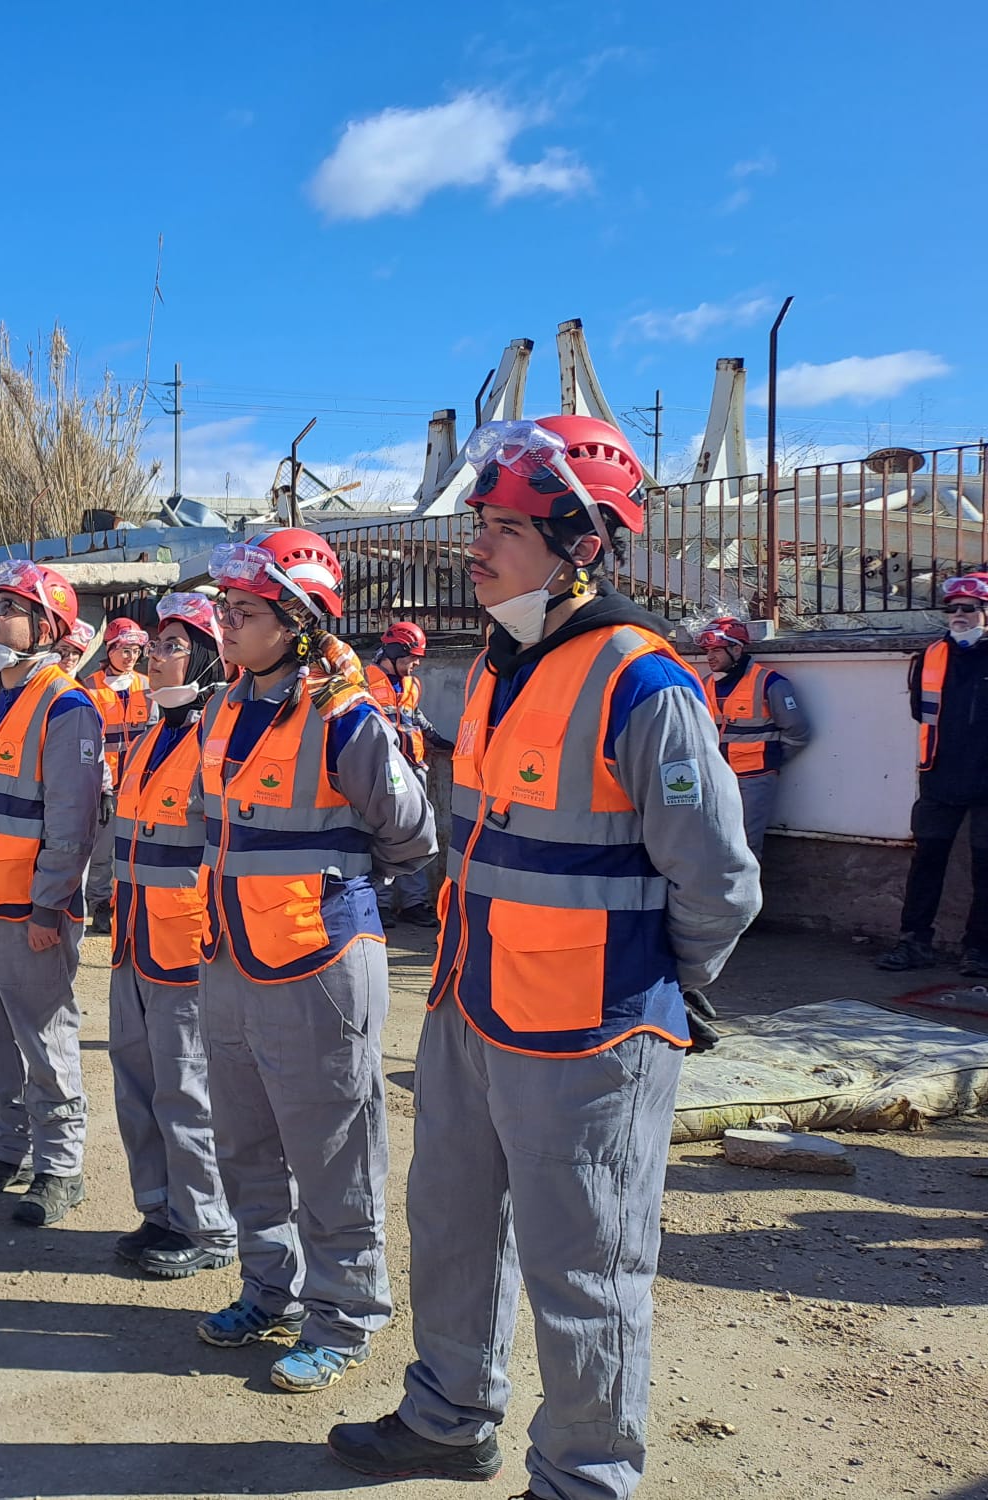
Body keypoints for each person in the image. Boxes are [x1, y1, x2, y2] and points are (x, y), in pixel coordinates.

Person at [328, 415, 760, 1500]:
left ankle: (583, 1477)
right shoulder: (498, 665)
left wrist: (668, 986)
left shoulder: (644, 684)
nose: (475, 544)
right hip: (473, 1007)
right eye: (478, 521)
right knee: (451, 1227)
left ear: (580, 545)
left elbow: (718, 882)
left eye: (504, 528)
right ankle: (448, 1416)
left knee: (585, 1270)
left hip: (591, 1031)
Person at [189, 528, 437, 1397]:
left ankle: (346, 1314)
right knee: (245, 1140)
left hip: (319, 960)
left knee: (334, 1147)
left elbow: (413, 833)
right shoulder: (222, 707)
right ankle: (270, 1292)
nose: (225, 623)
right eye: (225, 608)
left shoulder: (346, 716)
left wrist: (340, 883)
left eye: (244, 610)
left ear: (299, 621)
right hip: (231, 953)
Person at [0, 558, 105, 1226]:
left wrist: (48, 906)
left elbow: (72, 822)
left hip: (28, 908)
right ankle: (9, 1148)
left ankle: (60, 1167)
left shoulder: (68, 707)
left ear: (46, 627)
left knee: (45, 1040)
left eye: (11, 608)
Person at [106, 591, 237, 1279]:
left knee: (187, 1091)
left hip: (186, 949)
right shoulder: (152, 735)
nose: (153, 657)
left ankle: (209, 1226)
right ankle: (161, 1210)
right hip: (134, 940)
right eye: (154, 646)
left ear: (210, 658)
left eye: (172, 647)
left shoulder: (220, 740)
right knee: (137, 1085)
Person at [879, 572, 988, 974]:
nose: (959, 615)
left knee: (986, 868)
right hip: (939, 776)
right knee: (926, 862)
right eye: (952, 609)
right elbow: (920, 711)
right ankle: (914, 943)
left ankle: (979, 950)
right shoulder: (932, 656)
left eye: (969, 609)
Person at [697, 616, 811, 858]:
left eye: (716, 650)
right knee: (714, 840)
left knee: (746, 846)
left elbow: (798, 732)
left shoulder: (770, 683)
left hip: (754, 779)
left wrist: (770, 760)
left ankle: (749, 884)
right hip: (717, 777)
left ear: (737, 649)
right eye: (707, 651)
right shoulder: (705, 685)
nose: (710, 657)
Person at [364, 621, 443, 928]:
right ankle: (380, 903)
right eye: (412, 657)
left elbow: (414, 716)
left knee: (416, 836)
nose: (417, 663)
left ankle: (413, 903)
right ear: (395, 652)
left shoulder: (412, 684)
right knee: (381, 837)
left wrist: (435, 737)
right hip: (381, 769)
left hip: (413, 768)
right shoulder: (363, 682)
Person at [83, 616, 152, 936]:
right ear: (109, 649)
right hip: (106, 785)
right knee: (102, 852)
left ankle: (128, 905)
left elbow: (153, 735)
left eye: (136, 651)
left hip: (138, 784)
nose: (130, 656)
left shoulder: (147, 686)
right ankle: (100, 906)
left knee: (135, 850)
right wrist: (103, 788)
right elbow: (90, 742)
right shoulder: (90, 687)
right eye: (125, 649)